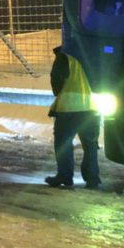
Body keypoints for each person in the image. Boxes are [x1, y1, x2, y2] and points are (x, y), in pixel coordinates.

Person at [45, 46, 101, 188]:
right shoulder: (91, 53)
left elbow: (56, 81)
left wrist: (59, 93)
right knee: (90, 145)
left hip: (69, 109)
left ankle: (65, 175)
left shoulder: (64, 57)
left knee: (63, 143)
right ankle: (92, 178)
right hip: (91, 107)